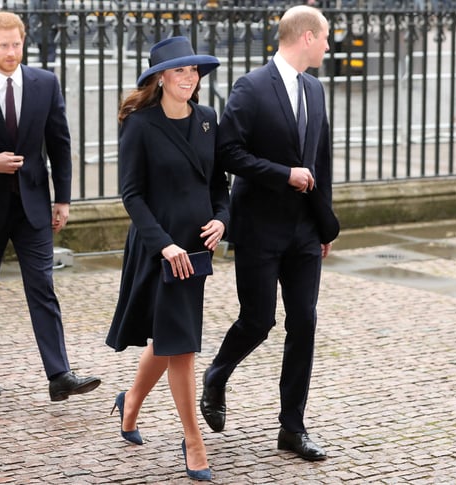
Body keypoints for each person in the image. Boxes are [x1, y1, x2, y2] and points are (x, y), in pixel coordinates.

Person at [199, 5, 340, 462]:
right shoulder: (251, 87)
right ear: (304, 37)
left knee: (305, 322)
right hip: (259, 228)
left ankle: (291, 428)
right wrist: (284, 174)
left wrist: (325, 224)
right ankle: (217, 375)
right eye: (324, 38)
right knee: (258, 322)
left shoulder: (316, 90)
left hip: (303, 233)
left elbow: (321, 163)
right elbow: (228, 153)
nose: (327, 45)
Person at [0, 11, 101, 401]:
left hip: (33, 205)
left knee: (42, 287)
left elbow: (60, 143)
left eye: (17, 44)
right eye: (3, 45)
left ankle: (59, 373)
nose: (11, 52)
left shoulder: (45, 83)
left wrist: (62, 198)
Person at [105, 37, 229, 481]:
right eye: (179, 71)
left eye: (193, 71)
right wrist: (164, 245)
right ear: (160, 78)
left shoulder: (209, 121)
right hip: (160, 251)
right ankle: (193, 442)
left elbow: (219, 186)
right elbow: (132, 195)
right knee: (183, 346)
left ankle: (130, 403)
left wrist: (222, 219)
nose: (189, 78)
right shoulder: (140, 125)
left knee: (171, 338)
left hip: (196, 251)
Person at [28, 0, 58, 69]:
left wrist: (34, 28)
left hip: (39, 31)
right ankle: (47, 75)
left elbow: (31, 14)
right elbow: (56, 14)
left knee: (42, 55)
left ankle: (43, 75)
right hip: (50, 31)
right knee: (50, 56)